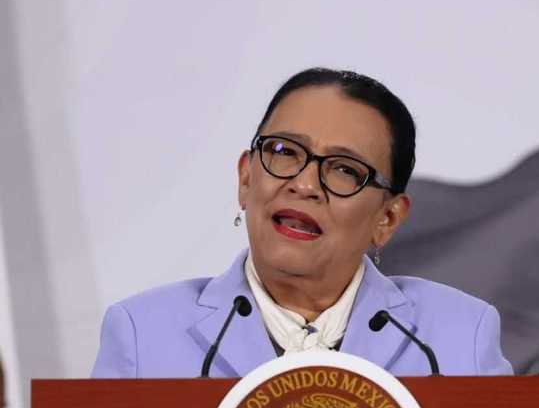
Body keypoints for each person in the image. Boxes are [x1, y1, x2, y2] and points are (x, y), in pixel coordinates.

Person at [91, 68, 511, 378]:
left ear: (386, 218)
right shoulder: (143, 337)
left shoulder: (458, 338)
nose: (305, 183)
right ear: (245, 177)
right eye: (285, 151)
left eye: (345, 170)